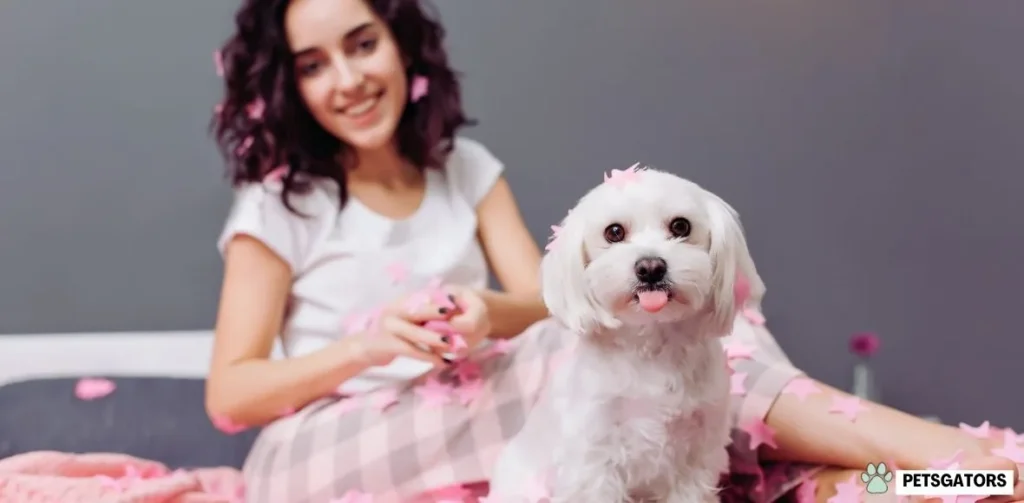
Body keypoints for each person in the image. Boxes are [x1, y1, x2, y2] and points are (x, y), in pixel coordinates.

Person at [206, 0, 1024, 501]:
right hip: (321, 452)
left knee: (757, 467)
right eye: (314, 66)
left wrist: (491, 310)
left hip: (502, 409)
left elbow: (552, 304)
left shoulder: (464, 171)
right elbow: (231, 395)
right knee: (660, 347)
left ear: (401, 45)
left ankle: (954, 482)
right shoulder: (282, 204)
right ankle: (978, 458)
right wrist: (374, 343)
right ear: (291, 87)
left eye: (361, 43)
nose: (346, 78)